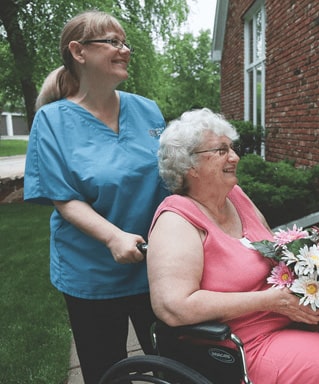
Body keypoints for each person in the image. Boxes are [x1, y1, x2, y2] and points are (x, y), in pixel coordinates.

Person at [146, 108, 319, 383]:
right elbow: (174, 306)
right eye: (221, 150)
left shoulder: (236, 197)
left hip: (284, 316)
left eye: (232, 148)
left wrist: (310, 271)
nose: (235, 157)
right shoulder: (177, 220)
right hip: (239, 344)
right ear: (190, 165)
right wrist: (269, 300)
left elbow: (276, 252)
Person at [23, 10, 170, 384]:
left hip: (159, 266)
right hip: (91, 273)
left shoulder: (147, 109)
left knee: (176, 364)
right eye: (113, 42)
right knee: (107, 372)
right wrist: (113, 236)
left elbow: (172, 176)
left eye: (126, 43)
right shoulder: (52, 120)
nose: (124, 50)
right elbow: (64, 198)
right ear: (79, 51)